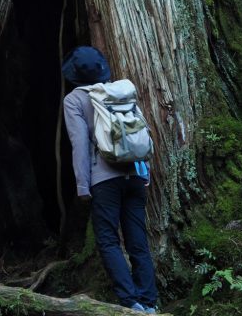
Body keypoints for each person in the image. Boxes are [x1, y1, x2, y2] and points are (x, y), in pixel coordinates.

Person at [62, 45, 158, 313]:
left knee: (108, 240)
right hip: (135, 176)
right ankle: (149, 302)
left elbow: (79, 144)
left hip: (104, 181)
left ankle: (130, 303)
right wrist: (144, 171)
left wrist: (83, 185)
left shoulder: (75, 100)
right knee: (138, 240)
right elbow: (139, 131)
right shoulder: (119, 92)